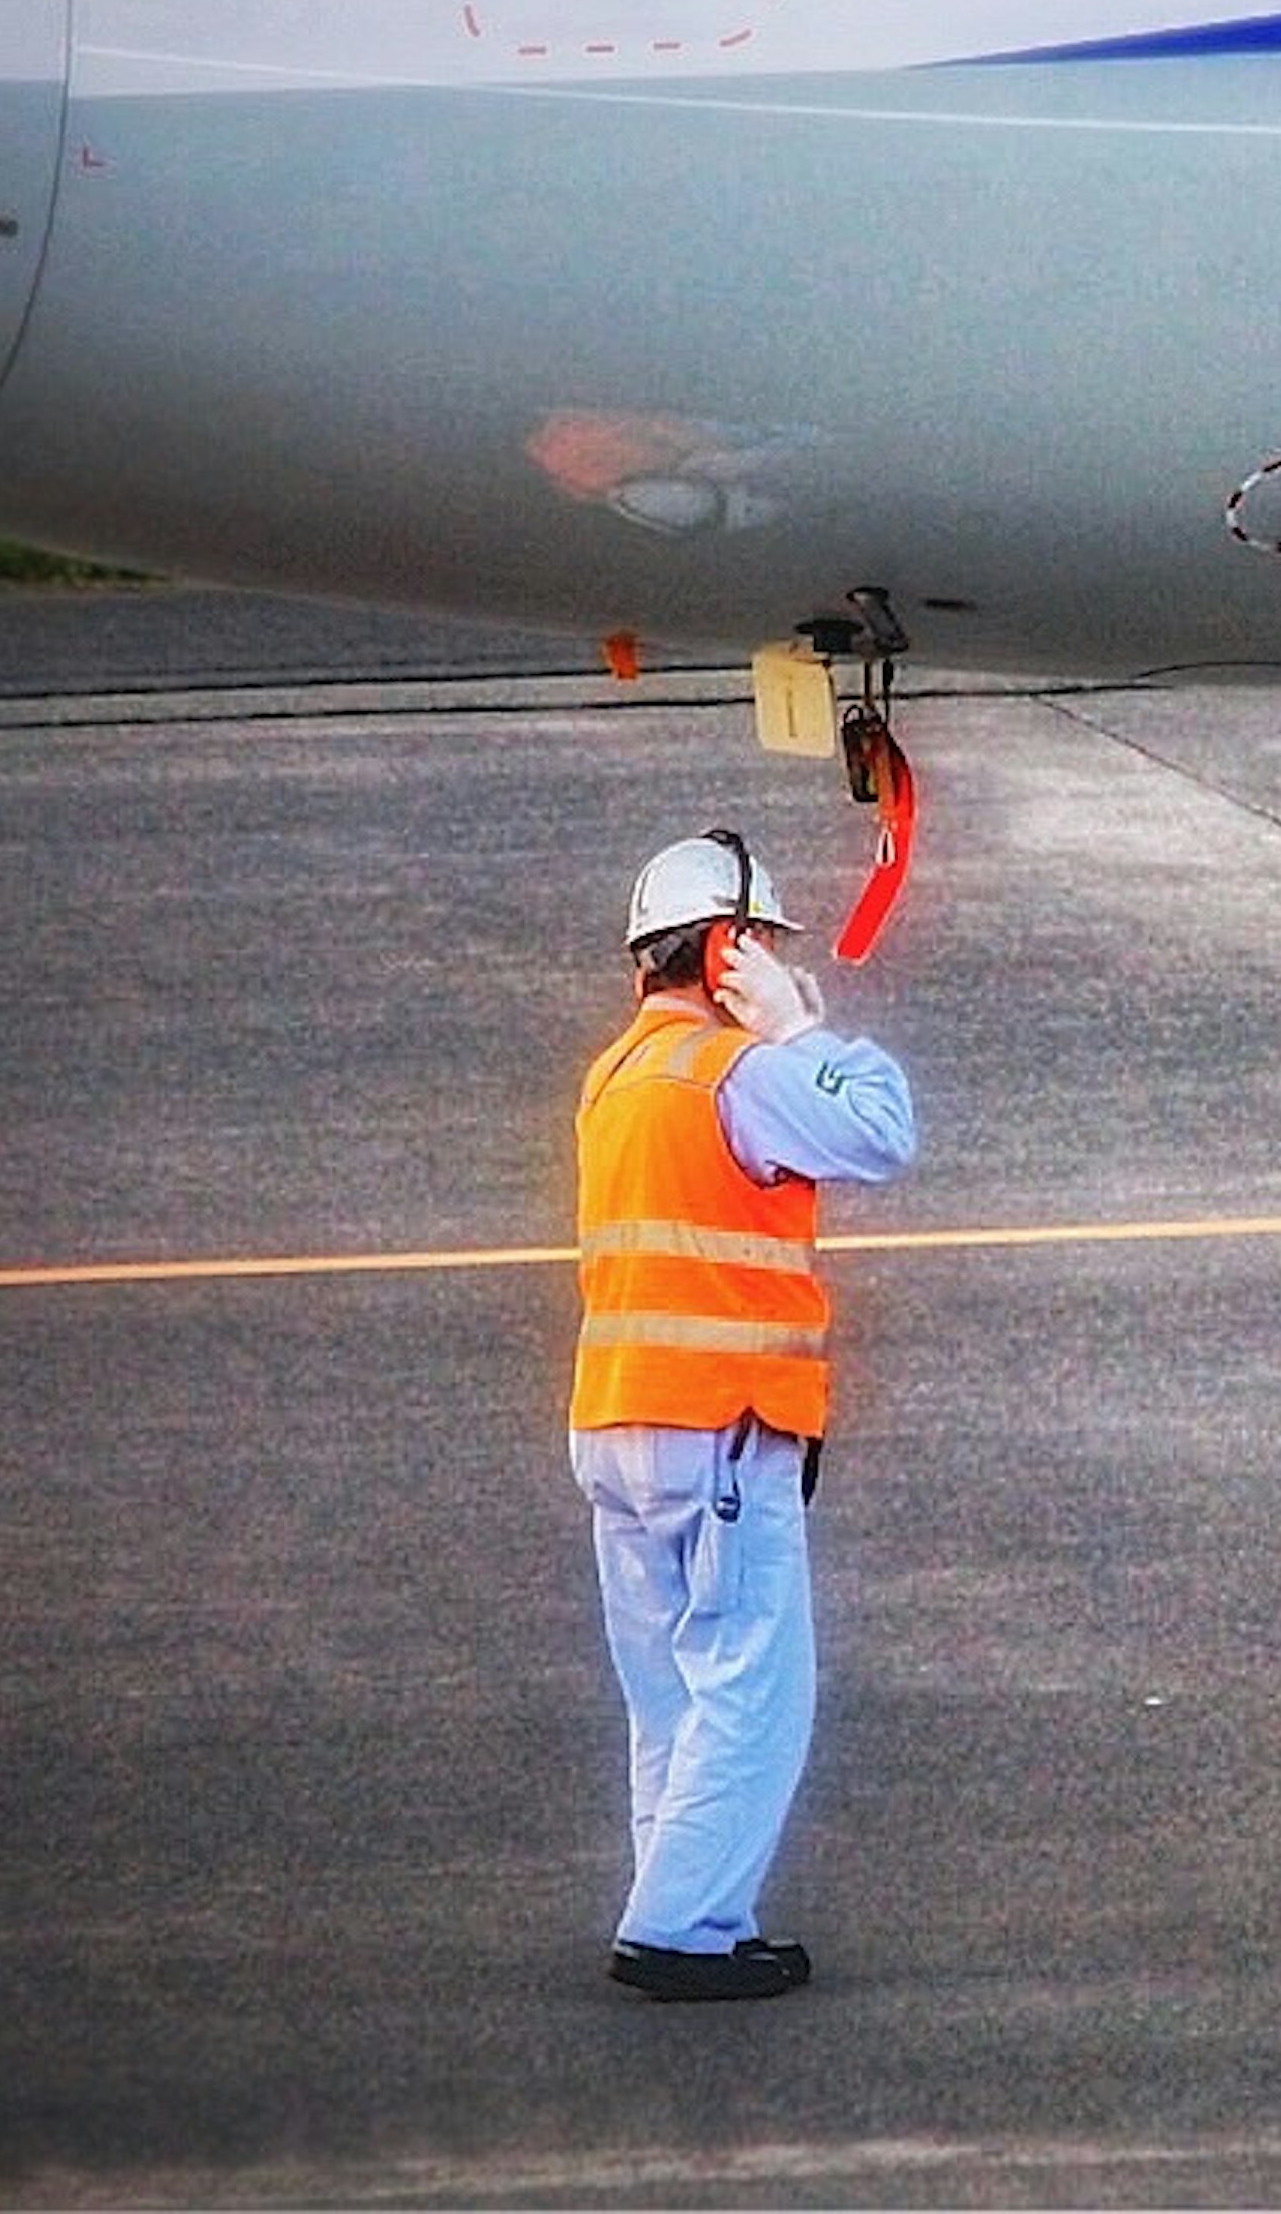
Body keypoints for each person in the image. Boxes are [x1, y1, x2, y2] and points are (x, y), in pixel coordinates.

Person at [572, 828, 916, 2001]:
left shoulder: (620, 1073)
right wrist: (796, 1024)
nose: (778, 959)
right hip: (721, 1420)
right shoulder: (738, 1072)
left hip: (621, 1418)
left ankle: (689, 1909)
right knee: (751, 1686)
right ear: (726, 949)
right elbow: (882, 1128)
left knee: (671, 1689)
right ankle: (677, 1927)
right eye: (764, 942)